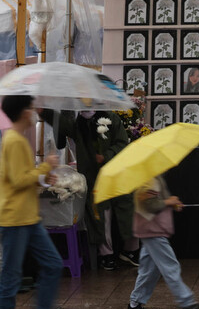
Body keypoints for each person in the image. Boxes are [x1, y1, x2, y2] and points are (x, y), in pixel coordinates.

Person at [0, 96, 73, 309]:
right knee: (10, 276)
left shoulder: (18, 140)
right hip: (15, 218)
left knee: (52, 264)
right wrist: (44, 167)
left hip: (27, 217)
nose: (35, 111)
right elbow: (19, 180)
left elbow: (20, 178)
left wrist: (43, 177)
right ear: (22, 112)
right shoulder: (13, 140)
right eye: (31, 107)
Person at [42, 108, 138, 271]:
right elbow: (63, 128)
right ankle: (106, 254)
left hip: (117, 174)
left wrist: (106, 155)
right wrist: (46, 110)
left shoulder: (112, 119)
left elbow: (121, 143)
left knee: (127, 209)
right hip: (93, 177)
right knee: (100, 216)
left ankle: (131, 251)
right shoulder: (79, 123)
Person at [125, 173, 199, 309]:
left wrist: (171, 203)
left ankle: (135, 305)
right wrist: (169, 202)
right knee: (169, 266)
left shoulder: (152, 177)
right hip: (152, 230)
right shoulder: (149, 179)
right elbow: (150, 204)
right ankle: (187, 303)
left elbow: (155, 201)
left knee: (149, 271)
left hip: (150, 230)